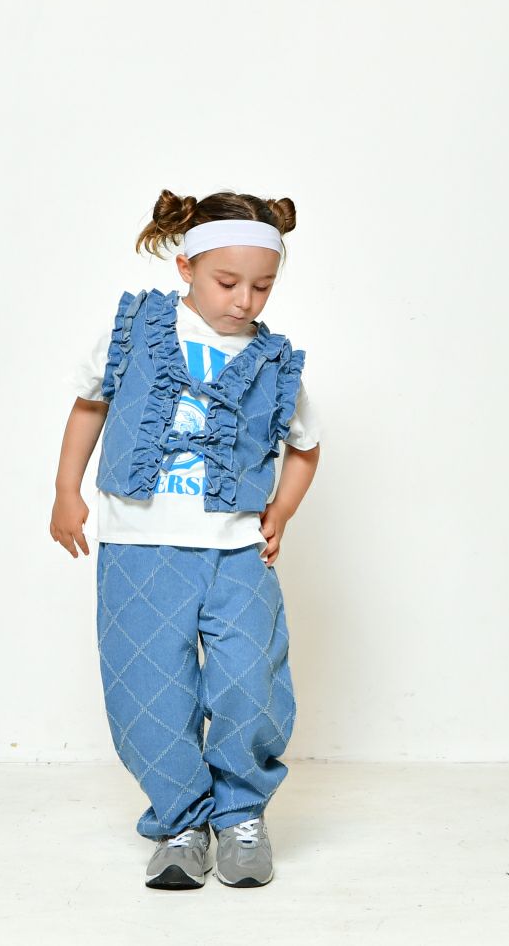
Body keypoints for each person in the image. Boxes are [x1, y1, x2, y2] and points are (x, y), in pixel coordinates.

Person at [49, 189, 322, 890]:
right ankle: (179, 824)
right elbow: (89, 405)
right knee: (148, 691)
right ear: (186, 267)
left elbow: (306, 446)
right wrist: (66, 490)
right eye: (226, 282)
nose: (244, 301)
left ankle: (240, 817)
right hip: (139, 547)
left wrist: (282, 512)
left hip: (236, 551)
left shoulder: (274, 361)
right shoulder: (134, 330)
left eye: (262, 286)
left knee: (251, 682)